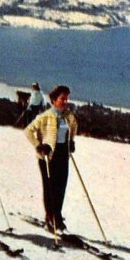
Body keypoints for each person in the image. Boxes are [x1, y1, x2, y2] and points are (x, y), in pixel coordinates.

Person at [25, 85, 78, 232]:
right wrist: (39, 145)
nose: (65, 101)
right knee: (50, 188)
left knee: (61, 187)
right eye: (62, 98)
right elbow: (28, 131)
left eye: (66, 98)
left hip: (63, 154)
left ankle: (58, 216)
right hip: (48, 156)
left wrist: (71, 141)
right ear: (54, 99)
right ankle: (50, 217)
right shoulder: (45, 116)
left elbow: (74, 127)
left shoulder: (68, 116)